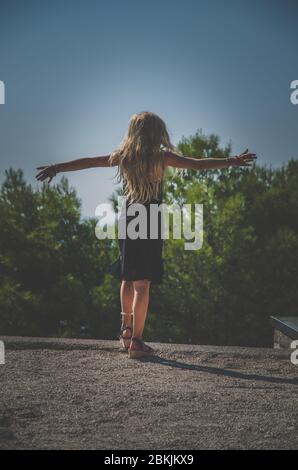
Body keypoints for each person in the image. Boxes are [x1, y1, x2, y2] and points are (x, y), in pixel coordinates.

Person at [36, 111, 257, 358]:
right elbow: (197, 164)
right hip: (149, 220)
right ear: (156, 133)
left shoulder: (124, 157)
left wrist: (57, 168)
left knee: (127, 276)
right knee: (143, 284)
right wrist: (232, 161)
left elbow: (88, 161)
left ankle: (126, 331)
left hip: (128, 219)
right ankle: (137, 343)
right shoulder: (162, 157)